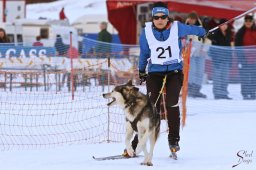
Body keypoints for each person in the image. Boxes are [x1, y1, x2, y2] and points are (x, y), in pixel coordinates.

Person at [123, 2, 206, 157]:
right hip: (155, 73)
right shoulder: (146, 32)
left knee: (172, 103)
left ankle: (173, 140)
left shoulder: (177, 27)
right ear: (152, 18)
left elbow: (194, 29)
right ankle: (135, 145)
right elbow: (144, 53)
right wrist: (141, 71)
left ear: (168, 18)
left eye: (163, 17)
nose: (160, 20)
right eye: (156, 17)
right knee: (150, 107)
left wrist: (204, 31)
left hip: (174, 72)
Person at [208, 19, 233, 100]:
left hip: (226, 59)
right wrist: (215, 59)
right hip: (218, 60)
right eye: (222, 24)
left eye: (225, 24)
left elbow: (230, 47)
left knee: (225, 78)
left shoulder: (229, 34)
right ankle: (217, 94)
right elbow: (212, 48)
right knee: (217, 77)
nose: (224, 26)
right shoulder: (215, 34)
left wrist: (230, 60)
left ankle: (224, 93)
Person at [185, 12, 207, 98]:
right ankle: (190, 90)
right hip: (190, 54)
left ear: (196, 20)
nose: (191, 20)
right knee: (191, 72)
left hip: (200, 54)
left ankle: (197, 90)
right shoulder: (185, 28)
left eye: (193, 19)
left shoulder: (201, 29)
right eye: (190, 18)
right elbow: (182, 40)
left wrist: (204, 49)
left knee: (200, 72)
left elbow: (207, 40)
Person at [235, 15, 256, 100]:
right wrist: (240, 59)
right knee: (245, 77)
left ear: (252, 22)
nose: (248, 23)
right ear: (244, 22)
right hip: (245, 59)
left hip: (254, 59)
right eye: (246, 21)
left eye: (249, 21)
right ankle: (245, 94)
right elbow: (237, 46)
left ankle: (253, 93)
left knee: (254, 77)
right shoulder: (240, 32)